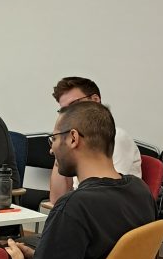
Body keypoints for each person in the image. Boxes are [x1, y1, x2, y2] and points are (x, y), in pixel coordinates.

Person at [3, 101, 156, 259]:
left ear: (73, 138)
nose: (51, 150)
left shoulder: (74, 207)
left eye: (53, 139)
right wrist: (40, 256)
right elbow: (95, 258)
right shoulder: (139, 191)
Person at [48, 76, 141, 204]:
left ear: (95, 100)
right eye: (63, 110)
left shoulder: (116, 137)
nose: (68, 114)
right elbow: (57, 199)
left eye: (74, 105)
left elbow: (108, 195)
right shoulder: (74, 142)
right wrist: (60, 144)